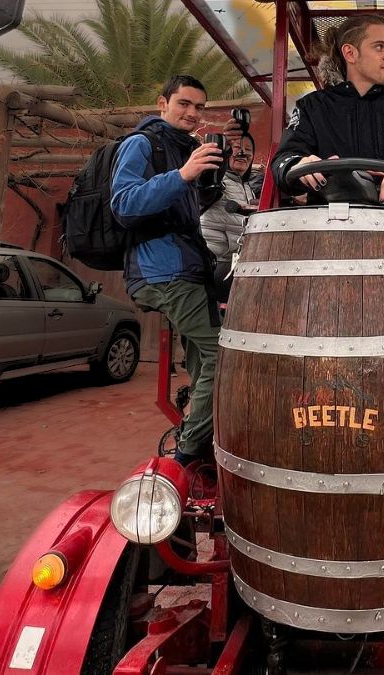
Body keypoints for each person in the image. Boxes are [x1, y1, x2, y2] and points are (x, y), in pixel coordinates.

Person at [110, 74, 238, 465]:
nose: (192, 113)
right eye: (184, 103)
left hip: (188, 267)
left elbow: (190, 209)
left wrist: (210, 173)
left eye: (199, 107)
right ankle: (186, 454)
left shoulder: (185, 147)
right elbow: (124, 203)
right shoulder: (141, 143)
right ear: (162, 103)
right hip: (162, 271)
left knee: (202, 359)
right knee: (222, 356)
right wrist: (184, 174)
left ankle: (199, 434)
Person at [270, 14, 384, 208]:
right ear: (350, 53)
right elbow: (282, 161)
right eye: (380, 46)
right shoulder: (312, 107)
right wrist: (298, 164)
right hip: (327, 223)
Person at [200, 137, 258, 302]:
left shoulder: (247, 187)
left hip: (235, 263)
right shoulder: (215, 179)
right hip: (215, 263)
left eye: (248, 150)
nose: (243, 153)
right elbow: (204, 187)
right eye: (237, 148)